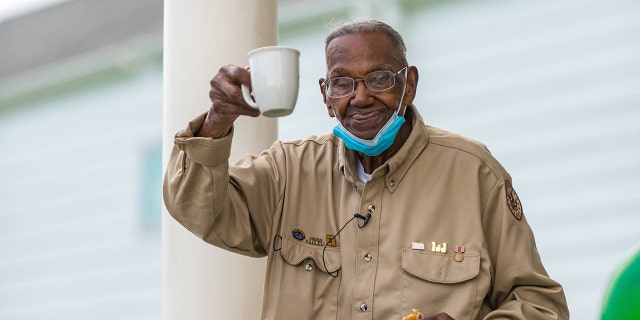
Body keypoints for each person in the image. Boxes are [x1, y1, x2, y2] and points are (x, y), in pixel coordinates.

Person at [163, 19, 569, 320]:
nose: (360, 98)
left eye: (378, 78)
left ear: (408, 84)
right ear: (325, 94)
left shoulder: (475, 173)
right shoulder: (288, 170)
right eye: (342, 83)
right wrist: (217, 120)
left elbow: (540, 305)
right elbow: (198, 209)